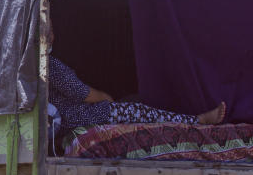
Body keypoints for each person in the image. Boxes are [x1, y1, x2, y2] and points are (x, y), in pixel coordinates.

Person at [50, 56, 226, 132]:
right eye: (48, 29)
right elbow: (80, 92)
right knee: (139, 110)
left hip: (71, 116)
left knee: (136, 100)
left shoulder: (33, 63)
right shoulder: (49, 64)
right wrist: (105, 98)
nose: (51, 34)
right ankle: (197, 121)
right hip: (79, 116)